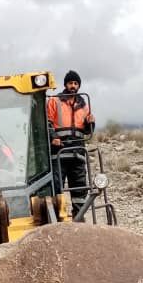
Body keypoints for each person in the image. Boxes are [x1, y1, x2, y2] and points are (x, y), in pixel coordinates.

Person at [47, 70, 96, 215]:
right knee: (57, 187)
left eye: (75, 83)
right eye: (70, 83)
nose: (73, 86)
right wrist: (53, 137)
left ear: (79, 86)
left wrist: (90, 123)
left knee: (80, 187)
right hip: (59, 152)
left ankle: (79, 217)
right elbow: (47, 122)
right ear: (65, 85)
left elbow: (87, 131)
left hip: (78, 152)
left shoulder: (84, 105)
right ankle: (56, 217)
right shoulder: (54, 101)